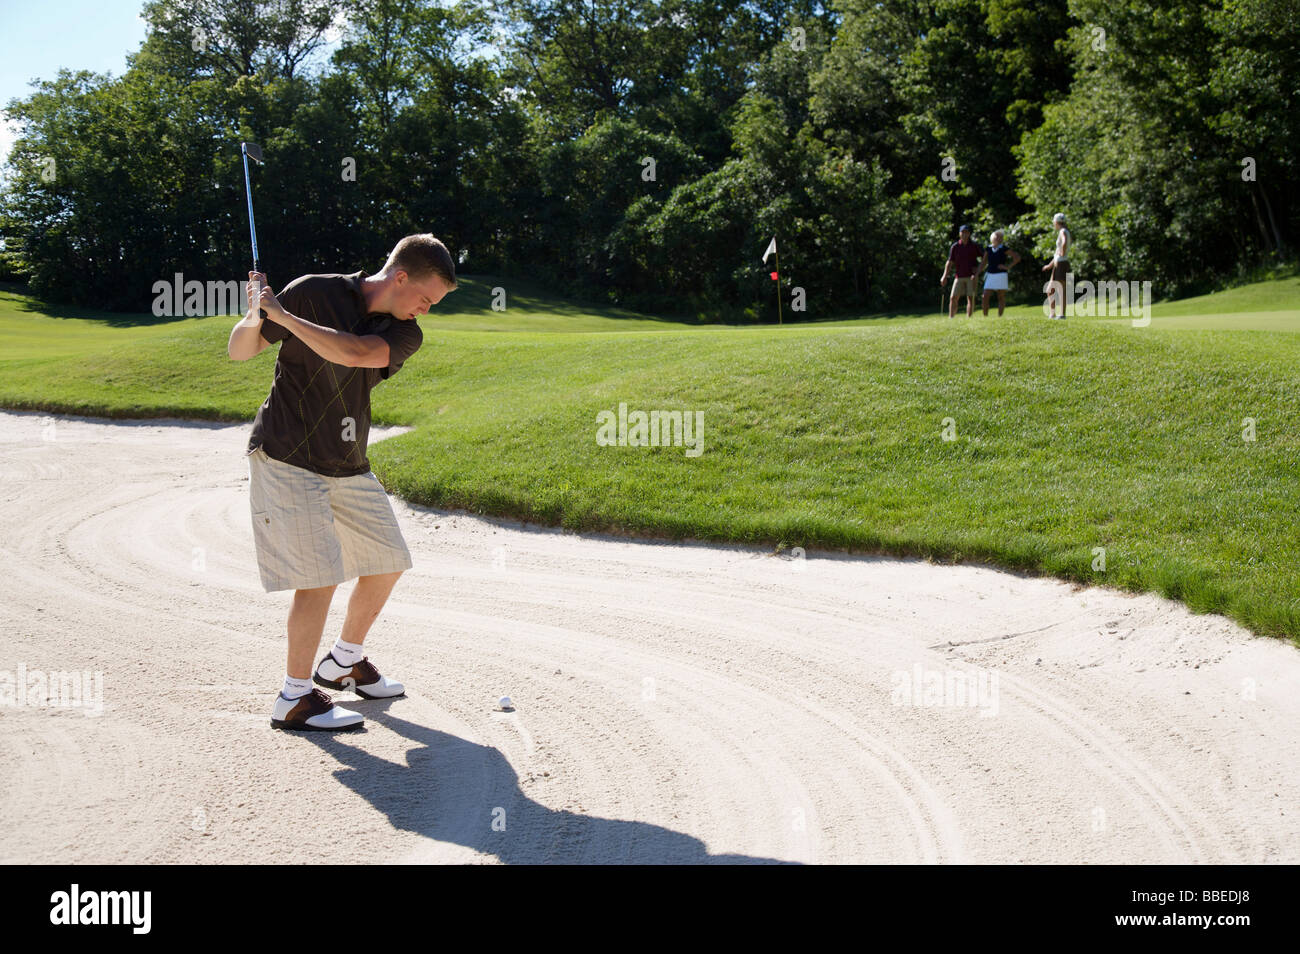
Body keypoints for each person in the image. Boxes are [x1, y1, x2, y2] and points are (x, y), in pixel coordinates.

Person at [227, 234, 457, 731]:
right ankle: (294, 697)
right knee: (319, 578)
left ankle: (342, 661)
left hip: (347, 461)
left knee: (388, 561)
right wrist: (255, 315)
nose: (425, 310)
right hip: (286, 455)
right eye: (425, 298)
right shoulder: (313, 291)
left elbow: (354, 354)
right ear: (400, 277)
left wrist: (284, 318)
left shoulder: (404, 333)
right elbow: (240, 352)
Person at [940, 224, 983, 318]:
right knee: (953, 297)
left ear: (969, 234)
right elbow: (949, 262)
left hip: (971, 276)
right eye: (962, 232)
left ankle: (969, 318)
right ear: (959, 233)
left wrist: (978, 271)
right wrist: (944, 276)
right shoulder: (955, 247)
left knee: (970, 298)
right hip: (958, 276)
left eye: (966, 232)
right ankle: (951, 318)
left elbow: (985, 258)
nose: (964, 234)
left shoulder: (975, 246)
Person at [980, 230, 1021, 316]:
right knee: (985, 296)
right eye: (996, 236)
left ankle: (1000, 316)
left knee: (1001, 296)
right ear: (992, 238)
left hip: (1001, 275)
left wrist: (1007, 267)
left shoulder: (1004, 248)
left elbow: (1017, 258)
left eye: (1000, 237)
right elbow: (983, 262)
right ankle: (985, 316)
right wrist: (977, 273)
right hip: (990, 274)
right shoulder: (988, 248)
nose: (998, 238)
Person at [1041, 213, 1070, 319]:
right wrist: (1049, 265)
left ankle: (1061, 314)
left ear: (1057, 222)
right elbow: (1057, 252)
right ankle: (1053, 313)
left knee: (1060, 289)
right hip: (1058, 263)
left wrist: (1062, 251)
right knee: (1050, 289)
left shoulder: (1063, 231)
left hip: (1062, 264)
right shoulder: (1063, 231)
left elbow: (1064, 242)